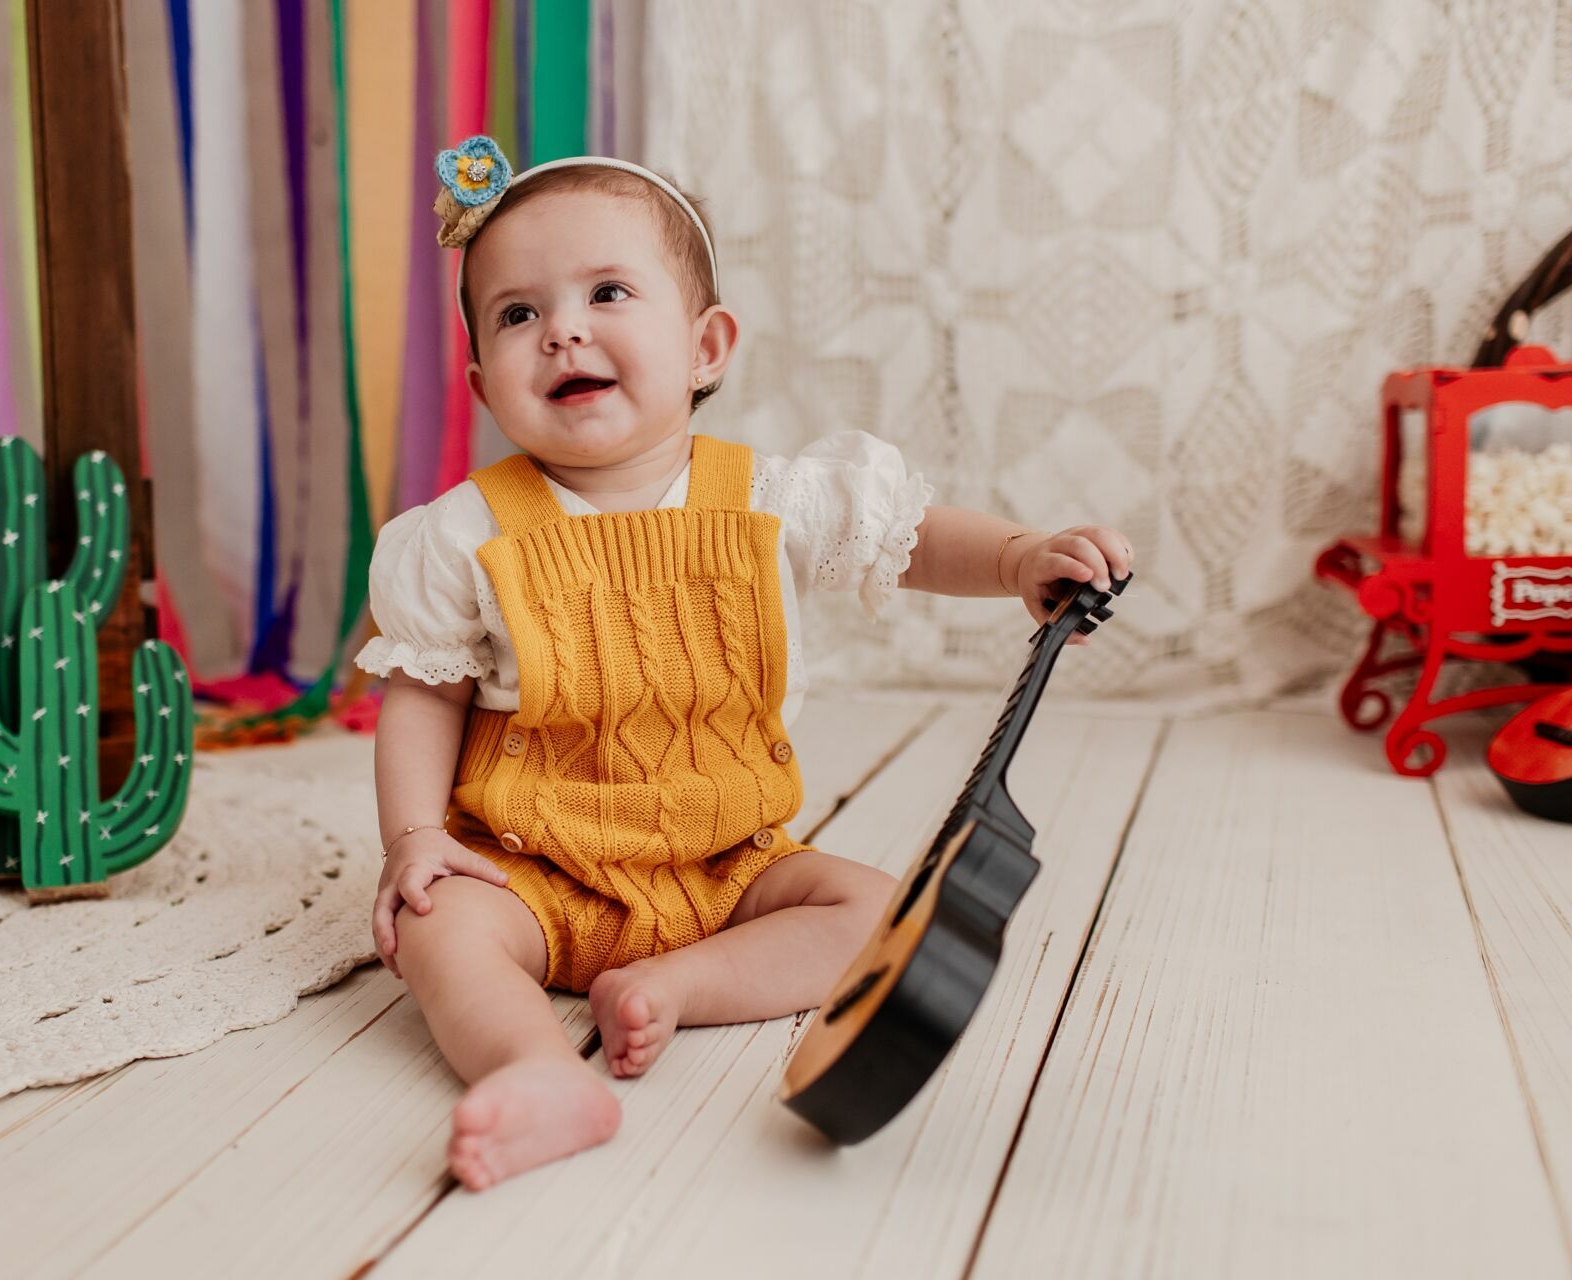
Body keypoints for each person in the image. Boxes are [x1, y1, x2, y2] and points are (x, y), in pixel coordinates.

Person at [353, 135, 1133, 1192]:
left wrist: (1016, 557)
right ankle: (537, 1068)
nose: (564, 329)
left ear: (707, 344)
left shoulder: (767, 498)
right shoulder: (462, 536)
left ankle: (677, 983)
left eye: (608, 291)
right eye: (518, 313)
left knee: (877, 907)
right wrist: (415, 840)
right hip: (531, 869)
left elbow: (902, 535)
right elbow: (423, 690)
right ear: (486, 383)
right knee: (439, 930)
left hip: (729, 864)